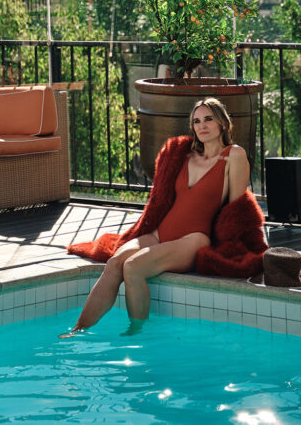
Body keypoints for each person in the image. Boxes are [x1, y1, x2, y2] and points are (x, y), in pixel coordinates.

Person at [63, 98, 267, 336]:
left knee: (133, 267)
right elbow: (162, 198)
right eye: (197, 121)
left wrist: (230, 247)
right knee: (115, 263)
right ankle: (78, 330)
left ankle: (136, 333)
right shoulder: (184, 155)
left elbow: (236, 210)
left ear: (222, 122)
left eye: (208, 119)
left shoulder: (233, 155)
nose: (202, 126)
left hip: (194, 238)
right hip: (160, 233)